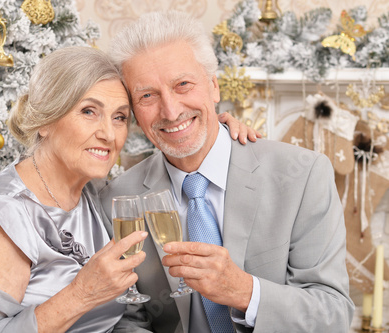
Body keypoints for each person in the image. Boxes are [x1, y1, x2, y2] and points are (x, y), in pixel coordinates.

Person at [0, 46, 252, 332]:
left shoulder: (92, 193)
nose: (108, 134)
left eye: (119, 117)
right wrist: (80, 295)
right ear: (44, 120)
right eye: (89, 111)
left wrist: (216, 130)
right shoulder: (5, 218)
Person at [100, 10, 355, 333]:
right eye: (147, 95)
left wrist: (246, 292)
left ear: (214, 86)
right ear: (135, 111)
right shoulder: (118, 199)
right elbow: (124, 319)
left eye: (183, 85)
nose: (170, 110)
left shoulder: (303, 176)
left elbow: (333, 315)